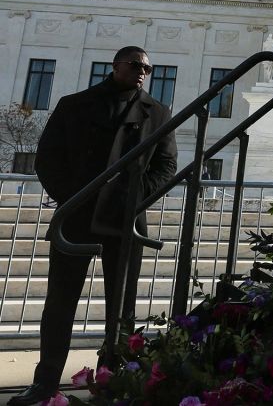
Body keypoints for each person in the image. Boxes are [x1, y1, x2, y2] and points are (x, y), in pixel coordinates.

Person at [12, 46, 178, 406]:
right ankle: (45, 383)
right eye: (135, 65)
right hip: (76, 215)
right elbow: (46, 159)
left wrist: (131, 198)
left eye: (148, 68)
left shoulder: (158, 113)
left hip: (126, 220)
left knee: (122, 307)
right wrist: (74, 197)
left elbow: (165, 168)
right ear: (115, 65)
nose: (142, 72)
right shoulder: (74, 105)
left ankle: (112, 381)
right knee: (59, 302)